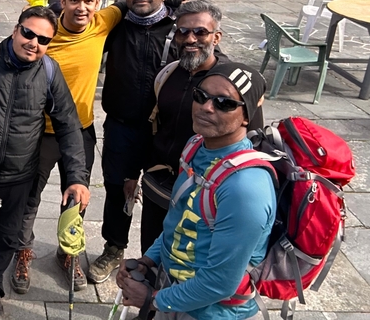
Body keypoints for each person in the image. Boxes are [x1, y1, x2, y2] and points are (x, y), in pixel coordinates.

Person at [0, 0, 125, 293]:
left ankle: (68, 253)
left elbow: (135, 4)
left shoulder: (104, 21)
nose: (82, 8)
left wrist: (170, 5)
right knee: (28, 200)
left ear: (99, 3)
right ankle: (23, 250)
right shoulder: (44, 34)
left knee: (76, 197)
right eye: (75, 1)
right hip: (36, 132)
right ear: (63, 1)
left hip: (78, 128)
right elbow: (12, 47)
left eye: (89, 1)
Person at [117, 62, 275, 320]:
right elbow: (177, 223)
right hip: (174, 296)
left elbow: (219, 283)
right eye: (200, 96)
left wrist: (151, 299)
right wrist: (148, 261)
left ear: (246, 116)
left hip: (213, 312)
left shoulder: (245, 188)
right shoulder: (196, 146)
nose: (206, 107)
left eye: (224, 103)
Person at [0, 6, 90, 320]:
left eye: (43, 39)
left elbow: (67, 124)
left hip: (18, 173)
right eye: (28, 33)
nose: (33, 42)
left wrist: (77, 176)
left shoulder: (49, 71)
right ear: (15, 29)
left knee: (8, 237)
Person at [140, 0, 265, 252]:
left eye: (200, 32)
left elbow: (254, 140)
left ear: (216, 37)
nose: (190, 39)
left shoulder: (234, 84)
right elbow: (151, 127)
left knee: (188, 265)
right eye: (183, 31)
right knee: (151, 256)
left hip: (205, 198)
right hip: (159, 187)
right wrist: (135, 173)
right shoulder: (167, 74)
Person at [88, 0, 181, 285]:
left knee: (160, 198)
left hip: (164, 132)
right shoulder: (115, 24)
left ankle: (151, 259)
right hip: (121, 126)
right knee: (116, 190)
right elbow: (66, 12)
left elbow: (212, 57)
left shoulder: (178, 28)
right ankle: (114, 247)